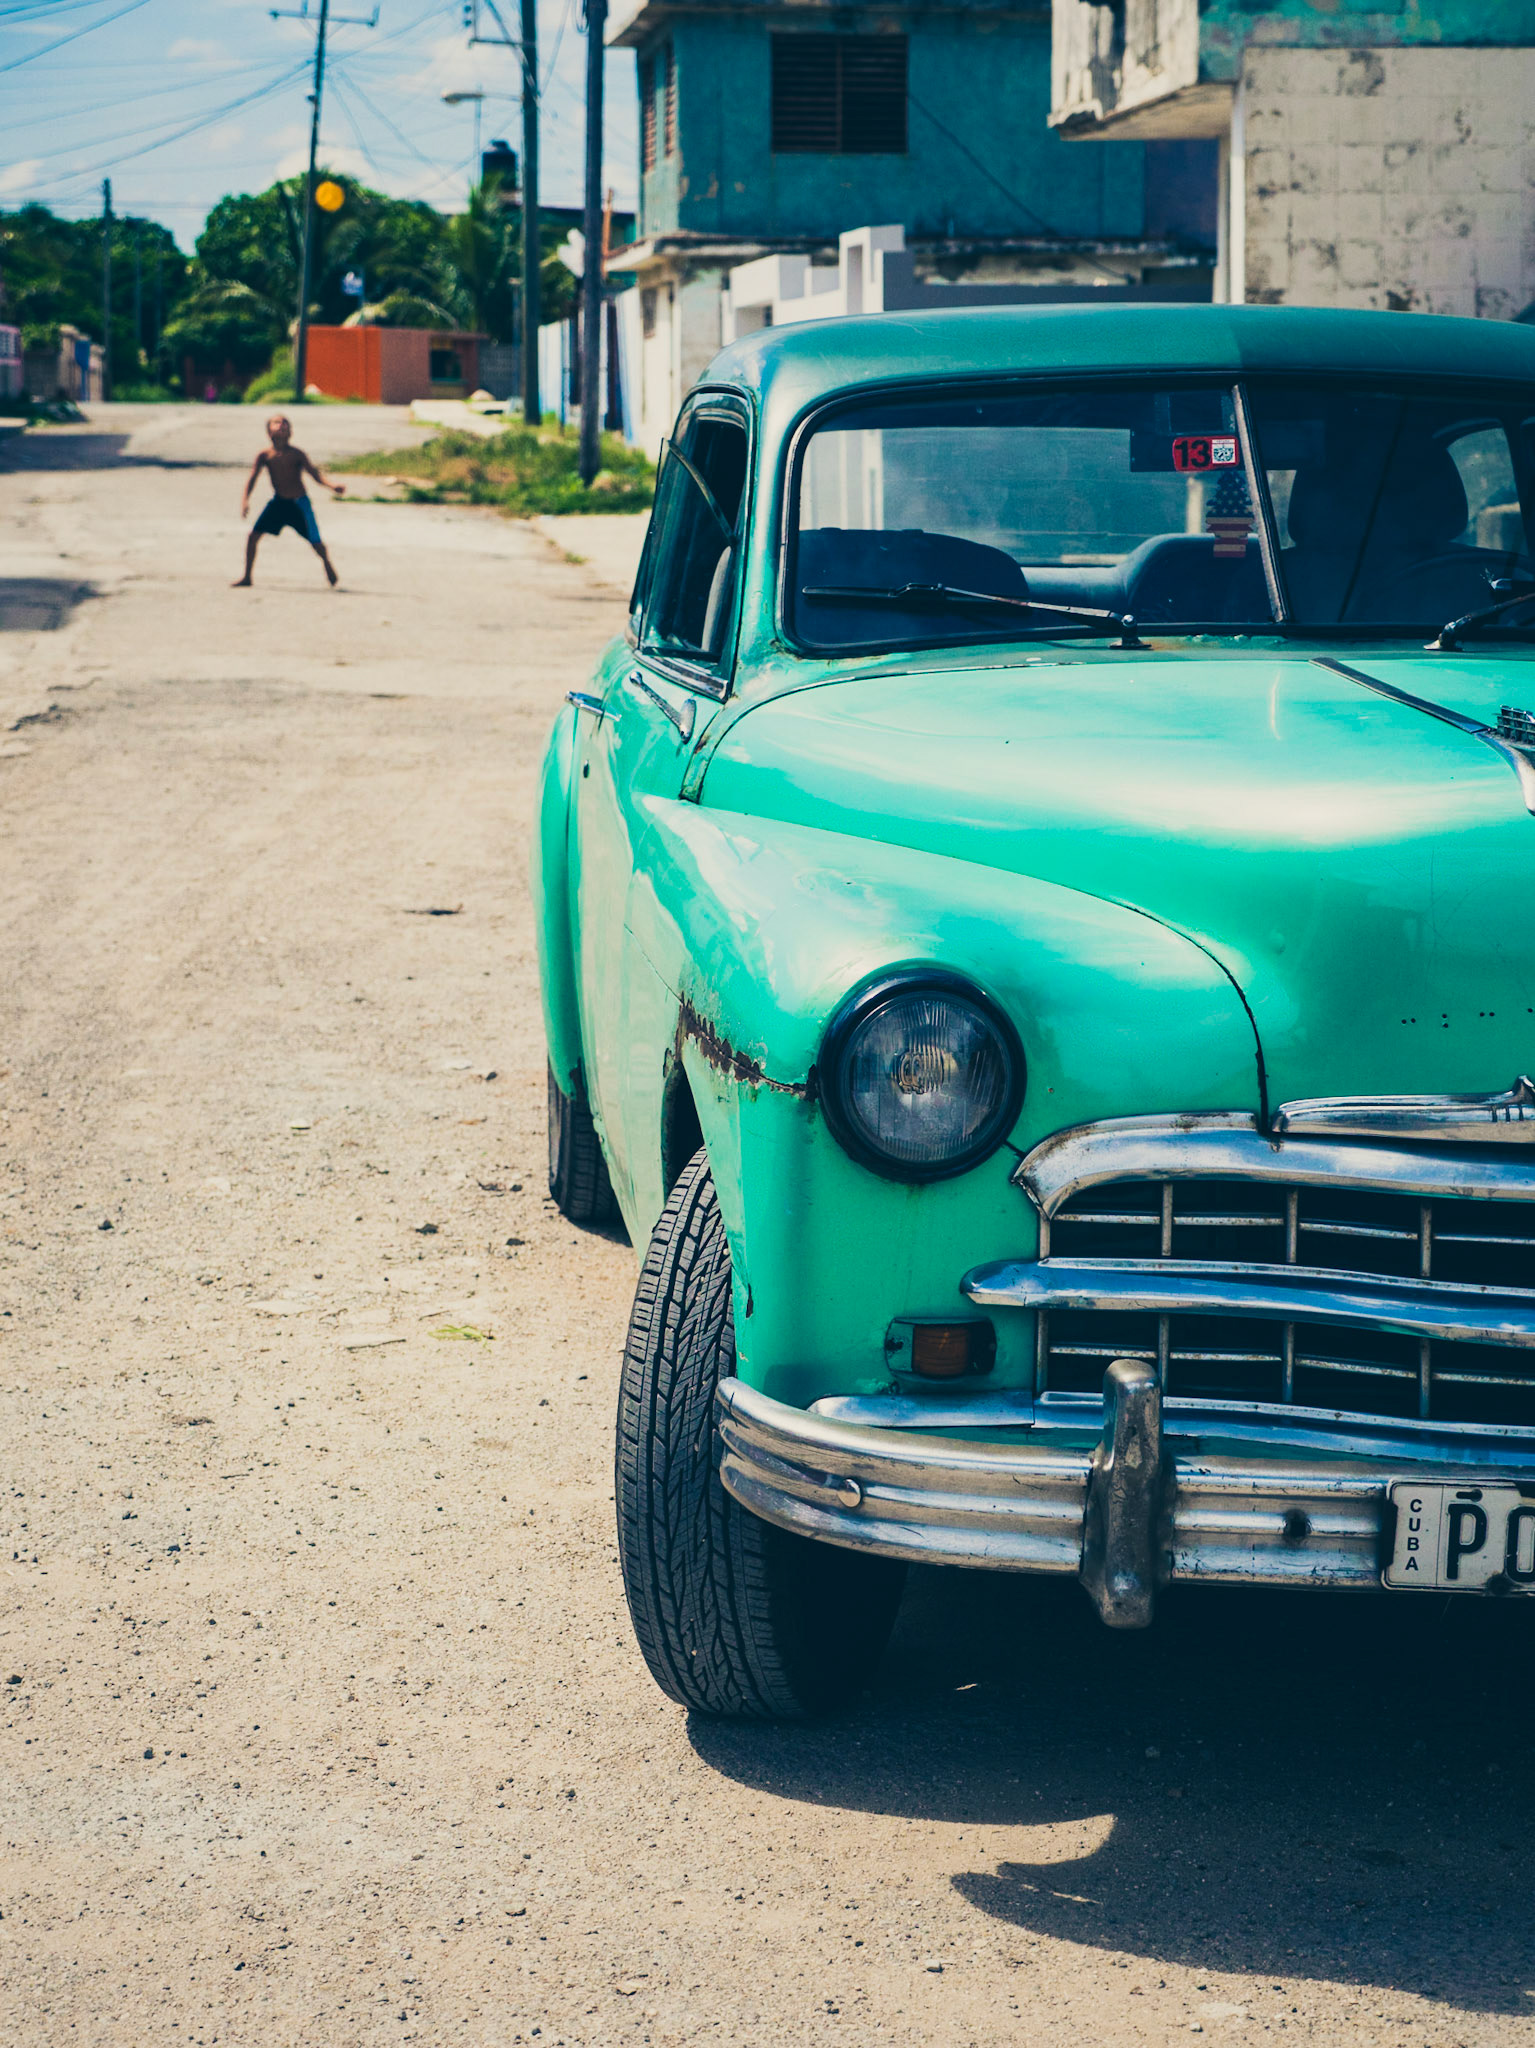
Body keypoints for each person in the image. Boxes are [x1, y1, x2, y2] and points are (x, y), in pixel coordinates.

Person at [234, 414, 345, 588]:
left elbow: (315, 474)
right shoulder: (265, 455)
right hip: (279, 503)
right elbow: (252, 478)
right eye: (276, 422)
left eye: (285, 423)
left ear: (290, 431)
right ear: (268, 431)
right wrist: (245, 500)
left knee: (315, 541)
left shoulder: (297, 454)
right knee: (253, 536)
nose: (281, 425)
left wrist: (332, 486)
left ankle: (327, 564)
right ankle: (247, 577)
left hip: (299, 504)